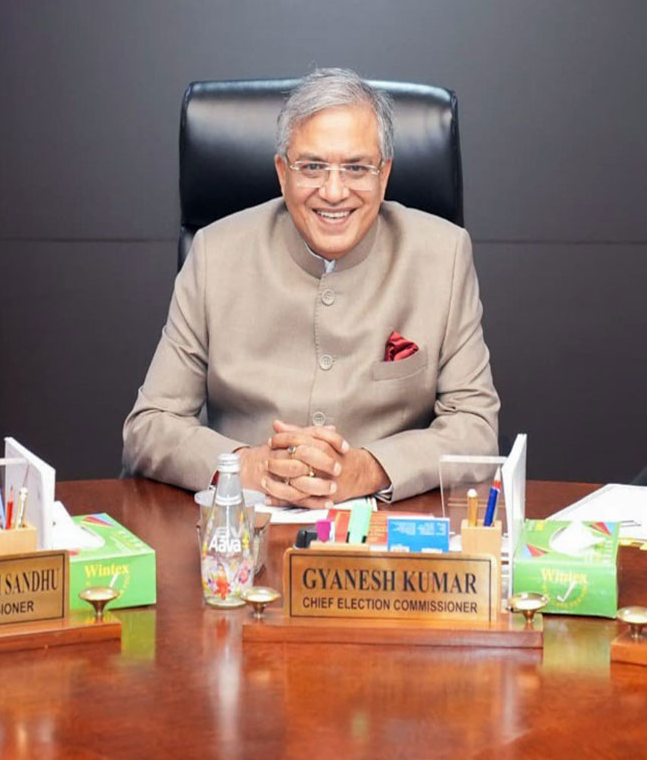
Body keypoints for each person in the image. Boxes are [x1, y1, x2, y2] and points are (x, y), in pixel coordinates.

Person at [121, 68, 499, 504]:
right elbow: (148, 426)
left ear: (385, 174)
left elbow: (475, 426)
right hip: (246, 526)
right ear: (283, 173)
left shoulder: (443, 255)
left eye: (356, 167)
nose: (334, 191)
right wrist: (249, 465)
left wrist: (369, 468)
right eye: (313, 166)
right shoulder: (215, 253)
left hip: (382, 533)